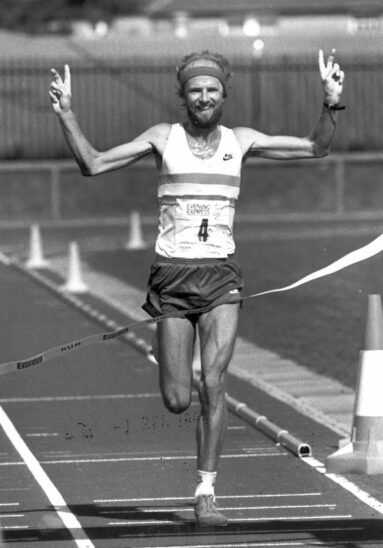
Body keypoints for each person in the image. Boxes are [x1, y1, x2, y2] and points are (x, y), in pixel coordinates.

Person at [49, 49, 344, 527]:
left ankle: (205, 492)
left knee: (214, 382)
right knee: (177, 399)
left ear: (223, 95)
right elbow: (93, 163)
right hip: (171, 277)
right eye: (195, 90)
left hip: (221, 277)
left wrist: (331, 104)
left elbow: (316, 147)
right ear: (183, 97)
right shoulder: (163, 138)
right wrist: (66, 113)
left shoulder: (241, 140)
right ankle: (166, 348)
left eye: (211, 89)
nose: (203, 97)